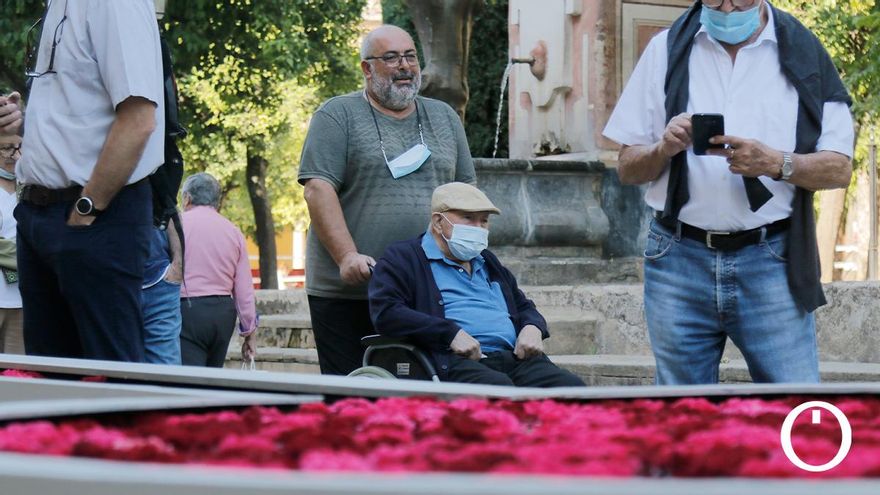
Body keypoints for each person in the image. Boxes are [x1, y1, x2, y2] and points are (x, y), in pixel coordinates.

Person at [602, 0, 854, 384]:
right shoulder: (666, 49)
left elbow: (839, 167)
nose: (728, 7)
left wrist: (776, 163)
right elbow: (627, 167)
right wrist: (663, 148)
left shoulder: (803, 50)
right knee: (681, 417)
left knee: (796, 407)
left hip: (772, 259)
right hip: (677, 258)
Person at [298, 25, 476, 376]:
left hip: (428, 288)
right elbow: (318, 189)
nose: (404, 66)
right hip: (350, 292)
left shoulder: (444, 117)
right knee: (353, 396)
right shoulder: (337, 116)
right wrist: (347, 256)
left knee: (426, 391)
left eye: (410, 56)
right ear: (367, 68)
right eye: (391, 58)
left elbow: (466, 193)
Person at [15, 1, 165, 361]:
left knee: (112, 380)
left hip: (95, 214)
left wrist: (87, 208)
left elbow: (139, 119)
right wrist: (18, 122)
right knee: (49, 383)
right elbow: (75, 119)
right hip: (40, 215)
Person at [369, 182, 585, 387]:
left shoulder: (486, 260)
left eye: (484, 221)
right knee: (499, 391)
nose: (478, 227)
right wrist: (449, 333)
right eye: (468, 218)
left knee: (572, 390)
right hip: (455, 360)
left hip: (514, 358)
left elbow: (523, 305)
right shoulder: (404, 257)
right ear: (437, 222)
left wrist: (533, 327)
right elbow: (387, 313)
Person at [179, 173, 257, 367]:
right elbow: (244, 288)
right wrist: (249, 331)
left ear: (187, 198)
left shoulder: (176, 225)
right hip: (223, 313)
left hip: (187, 311)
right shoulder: (233, 231)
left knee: (189, 381)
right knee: (212, 378)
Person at [0, 92, 23, 355]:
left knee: (19, 374)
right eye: (6, 148)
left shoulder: (32, 189)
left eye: (18, 147)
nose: (13, 155)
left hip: (21, 302)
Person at [141, 221, 183, 364]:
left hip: (160, 284)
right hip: (111, 282)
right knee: (112, 373)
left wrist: (178, 266)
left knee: (165, 374)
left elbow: (169, 206)